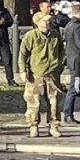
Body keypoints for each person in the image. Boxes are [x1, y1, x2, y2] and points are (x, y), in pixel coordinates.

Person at [19, 8, 66, 136]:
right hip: (36, 75)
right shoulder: (31, 36)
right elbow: (23, 54)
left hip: (52, 75)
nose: (47, 24)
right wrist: (22, 71)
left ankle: (54, 126)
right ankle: (33, 126)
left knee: (54, 102)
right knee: (34, 102)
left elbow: (61, 50)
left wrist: (59, 64)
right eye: (45, 21)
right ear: (37, 22)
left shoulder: (55, 34)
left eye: (49, 21)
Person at [60, 3, 80, 125]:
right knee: (75, 86)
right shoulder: (78, 27)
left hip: (72, 58)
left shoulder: (69, 25)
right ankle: (68, 113)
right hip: (78, 59)